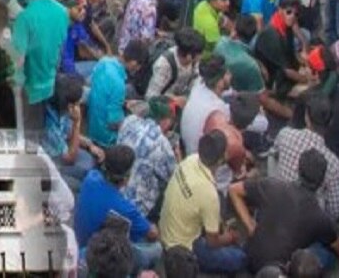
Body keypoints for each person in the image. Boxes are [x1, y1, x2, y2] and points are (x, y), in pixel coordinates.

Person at [228, 149, 339, 271]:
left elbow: (233, 189)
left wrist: (250, 225)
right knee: (326, 252)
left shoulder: (273, 186)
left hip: (251, 257)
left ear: (298, 170)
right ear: (322, 181)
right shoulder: (320, 216)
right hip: (278, 271)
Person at [158, 130, 247, 274]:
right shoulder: (209, 194)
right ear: (221, 159)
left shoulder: (190, 160)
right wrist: (230, 237)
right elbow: (213, 242)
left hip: (165, 231)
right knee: (240, 258)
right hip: (183, 249)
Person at [74, 144, 163, 272]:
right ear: (126, 179)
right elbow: (153, 234)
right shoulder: (124, 208)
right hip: (96, 256)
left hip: (82, 243)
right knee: (157, 248)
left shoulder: (91, 177)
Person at [271, 93, 339, 220]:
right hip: (308, 213)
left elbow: (274, 153)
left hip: (281, 194)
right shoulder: (333, 162)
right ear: (331, 122)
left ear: (306, 117)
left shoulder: (285, 134)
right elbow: (334, 210)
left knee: (271, 155)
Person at [10, 0, 68, 141]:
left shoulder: (25, 18)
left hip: (30, 89)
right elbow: (59, 49)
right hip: (50, 82)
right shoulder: (62, 11)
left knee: (28, 139)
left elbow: (18, 61)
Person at [116, 96, 179, 220]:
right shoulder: (162, 144)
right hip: (137, 208)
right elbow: (174, 179)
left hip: (115, 190)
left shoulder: (130, 120)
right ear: (166, 121)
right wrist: (177, 153)